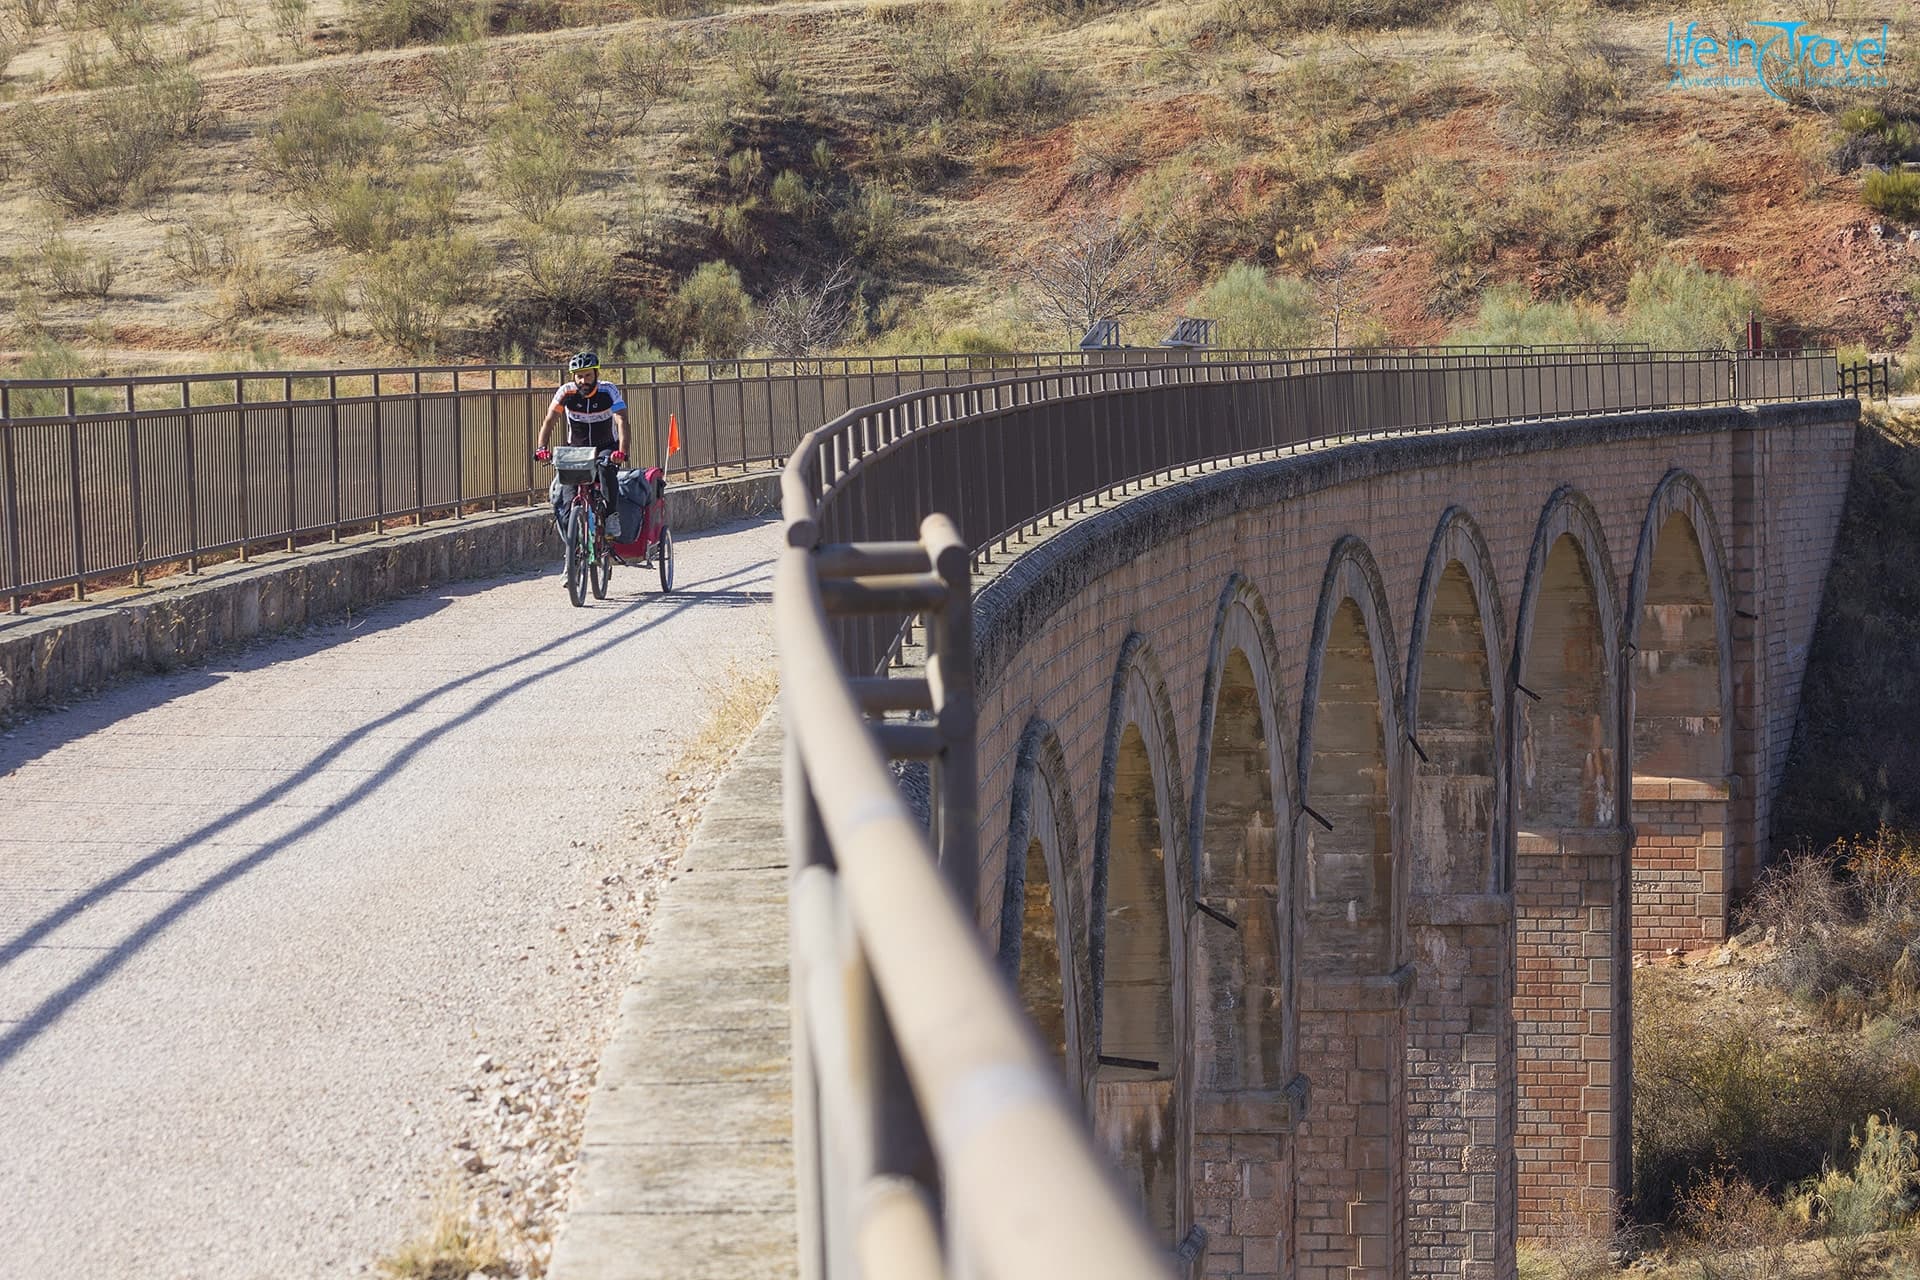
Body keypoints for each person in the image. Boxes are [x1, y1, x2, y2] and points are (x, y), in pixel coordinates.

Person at [534, 352, 629, 521]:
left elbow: (621, 420)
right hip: (577, 450)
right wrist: (542, 448)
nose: (583, 381)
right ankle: (573, 536)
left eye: (588, 375)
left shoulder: (608, 390)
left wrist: (621, 452)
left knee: (606, 470)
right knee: (567, 501)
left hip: (605, 447)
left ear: (596, 374)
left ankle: (611, 516)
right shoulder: (566, 392)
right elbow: (549, 420)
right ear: (573, 377)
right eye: (579, 376)